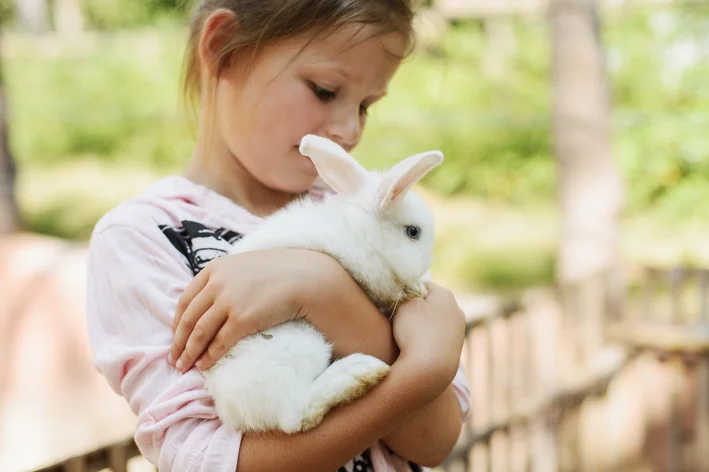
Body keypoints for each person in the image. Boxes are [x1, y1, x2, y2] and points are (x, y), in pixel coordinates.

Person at [85, 1, 471, 471]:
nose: (350, 130)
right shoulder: (144, 239)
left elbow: (433, 441)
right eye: (325, 90)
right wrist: (419, 371)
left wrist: (321, 291)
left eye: (366, 105)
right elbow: (204, 460)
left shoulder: (361, 217)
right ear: (225, 49)